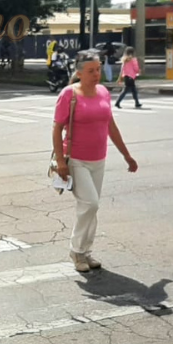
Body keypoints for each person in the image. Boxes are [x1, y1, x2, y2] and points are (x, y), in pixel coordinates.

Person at [53, 51, 139, 273]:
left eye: (98, 69)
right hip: (76, 159)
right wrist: (61, 161)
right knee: (90, 204)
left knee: (91, 208)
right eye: (91, 71)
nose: (96, 74)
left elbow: (111, 126)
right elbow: (57, 128)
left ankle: (86, 251)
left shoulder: (103, 92)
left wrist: (126, 155)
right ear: (79, 72)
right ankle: (76, 250)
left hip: (98, 158)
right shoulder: (69, 94)